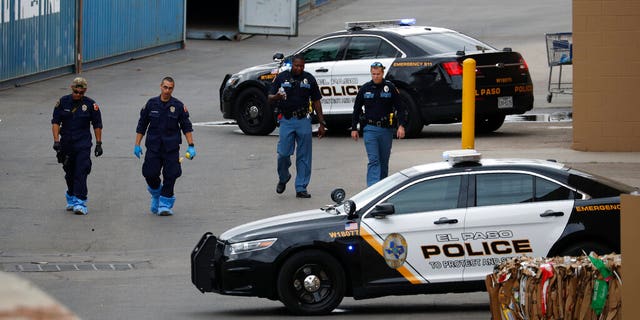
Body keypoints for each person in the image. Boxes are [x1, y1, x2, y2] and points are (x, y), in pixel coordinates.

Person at [134, 76, 195, 216]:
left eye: (170, 88)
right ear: (161, 86)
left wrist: (191, 145)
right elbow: (142, 125)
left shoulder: (178, 106)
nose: (167, 90)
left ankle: (165, 204)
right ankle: (156, 193)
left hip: (171, 148)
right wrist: (137, 144)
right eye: (165, 87)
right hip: (154, 147)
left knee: (171, 175)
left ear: (173, 89)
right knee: (149, 173)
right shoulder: (151, 104)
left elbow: (186, 126)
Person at [268, 54, 326, 198]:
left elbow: (317, 101)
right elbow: (269, 97)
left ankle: (301, 187)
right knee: (283, 154)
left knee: (304, 156)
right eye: (297, 65)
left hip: (303, 120)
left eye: (302, 66)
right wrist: (277, 97)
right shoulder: (282, 77)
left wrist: (321, 123)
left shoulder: (309, 79)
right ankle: (283, 177)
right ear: (292, 65)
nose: (299, 68)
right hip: (286, 120)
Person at [51, 77, 103, 215]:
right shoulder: (62, 102)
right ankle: (71, 195)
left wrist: (99, 143)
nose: (78, 94)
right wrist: (56, 140)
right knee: (69, 173)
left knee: (81, 170)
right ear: (71, 88)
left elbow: (97, 124)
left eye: (81, 92)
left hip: (83, 143)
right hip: (66, 144)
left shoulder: (91, 105)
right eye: (76, 91)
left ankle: (80, 201)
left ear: (85, 91)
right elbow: (56, 122)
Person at [351, 62, 407, 187]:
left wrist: (401, 125)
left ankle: (382, 188)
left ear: (382, 73)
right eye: (373, 74)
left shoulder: (390, 87)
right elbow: (356, 109)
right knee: (374, 160)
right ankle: (372, 188)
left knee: (383, 161)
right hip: (370, 129)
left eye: (378, 74)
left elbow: (400, 108)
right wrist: (354, 128)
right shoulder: (365, 89)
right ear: (371, 73)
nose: (376, 76)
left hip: (386, 129)